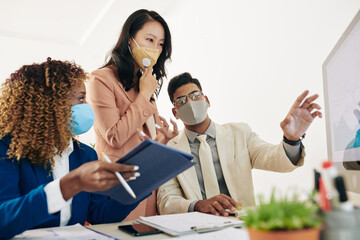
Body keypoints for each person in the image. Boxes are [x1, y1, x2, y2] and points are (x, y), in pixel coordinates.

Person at [0, 58, 143, 239]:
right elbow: (4, 220)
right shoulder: (7, 148)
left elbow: (100, 216)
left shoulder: (85, 154)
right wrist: (69, 185)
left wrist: (143, 183)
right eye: (81, 98)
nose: (87, 107)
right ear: (51, 104)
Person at [157, 72, 322, 216]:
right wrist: (197, 205)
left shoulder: (240, 133)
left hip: (242, 224)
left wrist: (291, 139)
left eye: (195, 95)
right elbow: (166, 201)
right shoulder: (170, 150)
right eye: (181, 100)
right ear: (175, 112)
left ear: (206, 100)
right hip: (196, 230)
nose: (190, 103)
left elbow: (273, 159)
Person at [87, 9, 178, 220]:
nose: (155, 48)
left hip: (149, 186)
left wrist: (164, 139)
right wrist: (145, 93)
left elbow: (142, 140)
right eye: (149, 40)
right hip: (119, 186)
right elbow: (115, 136)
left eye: (161, 44)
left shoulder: (145, 81)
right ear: (130, 40)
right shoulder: (100, 80)